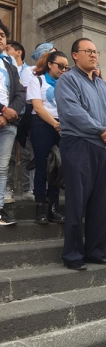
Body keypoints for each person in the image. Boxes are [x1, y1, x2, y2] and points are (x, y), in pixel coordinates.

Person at [55, 38, 106, 270]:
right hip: (80, 145)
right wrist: (102, 130)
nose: (94, 55)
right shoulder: (68, 80)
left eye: (96, 52)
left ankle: (96, 251)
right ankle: (73, 254)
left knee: (102, 202)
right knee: (77, 200)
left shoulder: (105, 86)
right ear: (75, 55)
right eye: (88, 51)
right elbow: (73, 112)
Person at [27, 51, 70, 225]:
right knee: (42, 165)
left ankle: (53, 207)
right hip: (42, 124)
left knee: (58, 167)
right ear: (50, 64)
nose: (63, 70)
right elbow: (38, 107)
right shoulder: (37, 80)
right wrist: (55, 124)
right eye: (60, 66)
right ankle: (41, 207)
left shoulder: (65, 84)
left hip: (61, 126)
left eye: (66, 67)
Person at [0, 20, 26, 225]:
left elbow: (19, 92)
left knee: (2, 168)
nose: (0, 37)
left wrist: (11, 112)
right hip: (4, 116)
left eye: (2, 35)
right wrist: (2, 110)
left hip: (8, 124)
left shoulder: (10, 66)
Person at [6, 40, 35, 201]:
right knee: (8, 156)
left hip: (26, 118)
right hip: (7, 117)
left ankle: (25, 189)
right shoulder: (4, 68)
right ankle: (7, 188)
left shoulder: (30, 71)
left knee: (26, 154)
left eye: (8, 48)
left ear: (19, 52)